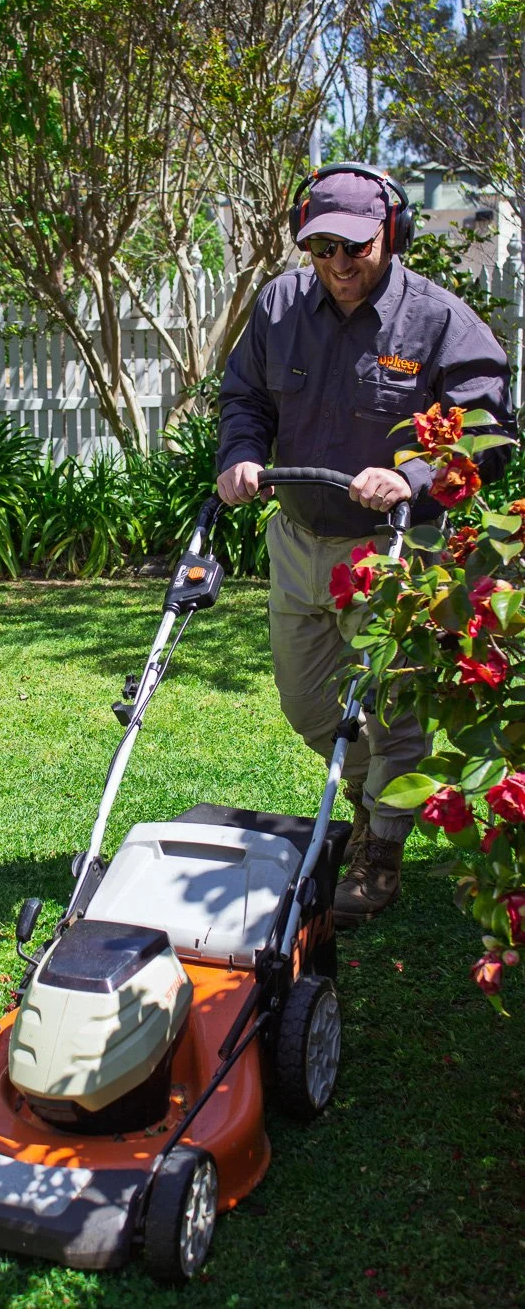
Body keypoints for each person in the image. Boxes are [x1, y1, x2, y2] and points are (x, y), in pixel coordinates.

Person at [216, 162, 514, 928]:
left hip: (393, 555)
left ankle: (380, 850)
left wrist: (411, 472)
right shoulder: (281, 307)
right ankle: (372, 792)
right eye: (322, 249)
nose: (340, 265)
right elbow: (244, 397)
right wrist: (239, 456)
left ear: (393, 232)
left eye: (355, 247)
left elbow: (487, 430)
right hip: (299, 538)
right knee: (306, 700)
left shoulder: (440, 320)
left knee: (394, 713)